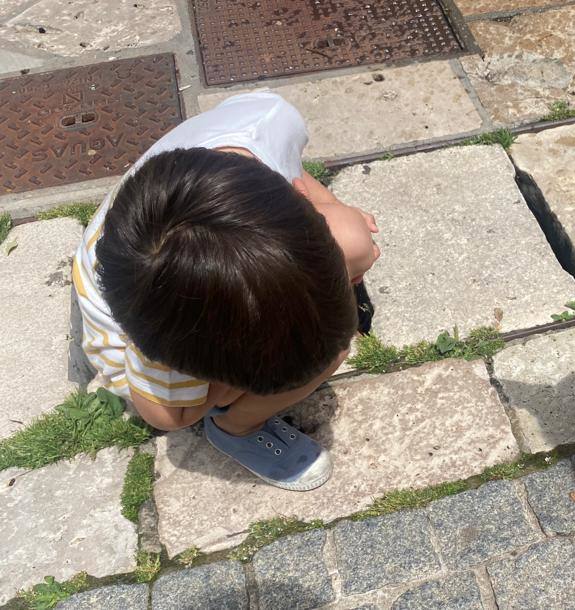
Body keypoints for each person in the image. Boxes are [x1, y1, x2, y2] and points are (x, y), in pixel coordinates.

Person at [71, 92, 379, 491]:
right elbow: (165, 416)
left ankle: (293, 327)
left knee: (353, 239)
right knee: (331, 351)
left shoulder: (266, 123)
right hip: (146, 311)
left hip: (171, 243)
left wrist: (332, 207)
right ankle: (235, 425)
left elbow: (294, 170)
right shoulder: (161, 328)